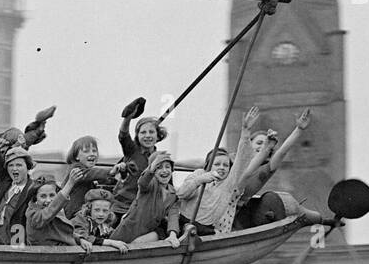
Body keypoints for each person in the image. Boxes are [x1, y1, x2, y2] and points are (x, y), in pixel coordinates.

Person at [176, 106, 269, 236]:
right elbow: (181, 194)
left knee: (210, 233)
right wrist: (199, 181)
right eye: (217, 164)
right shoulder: (198, 174)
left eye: (225, 165)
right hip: (182, 222)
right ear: (209, 165)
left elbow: (242, 160)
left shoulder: (229, 183)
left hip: (204, 229)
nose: (221, 167)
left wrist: (245, 130)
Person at [111, 97, 168, 224]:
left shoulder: (161, 159)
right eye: (143, 133)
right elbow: (123, 135)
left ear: (158, 136)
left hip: (144, 207)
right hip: (122, 204)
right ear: (137, 136)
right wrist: (128, 118)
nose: (147, 136)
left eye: (151, 132)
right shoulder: (132, 150)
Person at [111, 149, 182, 247]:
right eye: (159, 167)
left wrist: (173, 235)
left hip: (147, 232)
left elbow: (173, 216)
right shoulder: (150, 185)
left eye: (167, 167)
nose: (164, 170)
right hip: (130, 229)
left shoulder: (173, 193)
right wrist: (151, 168)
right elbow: (142, 182)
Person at [0, 146, 38, 246]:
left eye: (19, 165)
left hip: (14, 238)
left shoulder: (33, 189)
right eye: (11, 165)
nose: (14, 168)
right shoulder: (5, 183)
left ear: (27, 167)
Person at [62, 135, 121, 219]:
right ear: (76, 156)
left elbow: (98, 178)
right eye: (86, 151)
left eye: (94, 151)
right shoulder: (76, 169)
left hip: (85, 211)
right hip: (75, 213)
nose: (92, 154)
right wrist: (111, 171)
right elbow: (91, 173)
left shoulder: (88, 172)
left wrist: (114, 179)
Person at [25, 167, 86, 246]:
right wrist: (70, 183)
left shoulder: (57, 211)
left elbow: (62, 232)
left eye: (52, 195)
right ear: (35, 197)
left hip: (61, 252)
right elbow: (48, 213)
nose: (48, 200)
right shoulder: (33, 214)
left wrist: (80, 240)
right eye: (43, 196)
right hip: (44, 255)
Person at [71, 187, 130, 253]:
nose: (101, 214)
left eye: (105, 211)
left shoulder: (104, 224)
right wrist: (111, 242)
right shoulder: (80, 220)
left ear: (109, 212)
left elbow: (112, 234)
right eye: (97, 210)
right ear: (89, 209)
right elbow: (83, 237)